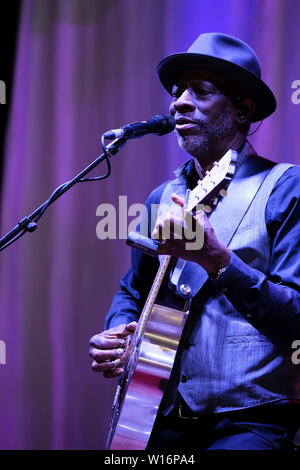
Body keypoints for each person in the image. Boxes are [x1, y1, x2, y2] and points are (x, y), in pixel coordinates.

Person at [89, 33, 300, 451]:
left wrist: (218, 261)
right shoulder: (162, 198)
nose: (178, 103)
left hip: (249, 422)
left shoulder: (285, 187)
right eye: (176, 92)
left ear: (243, 110)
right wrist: (118, 330)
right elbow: (134, 290)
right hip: (154, 414)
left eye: (200, 92)